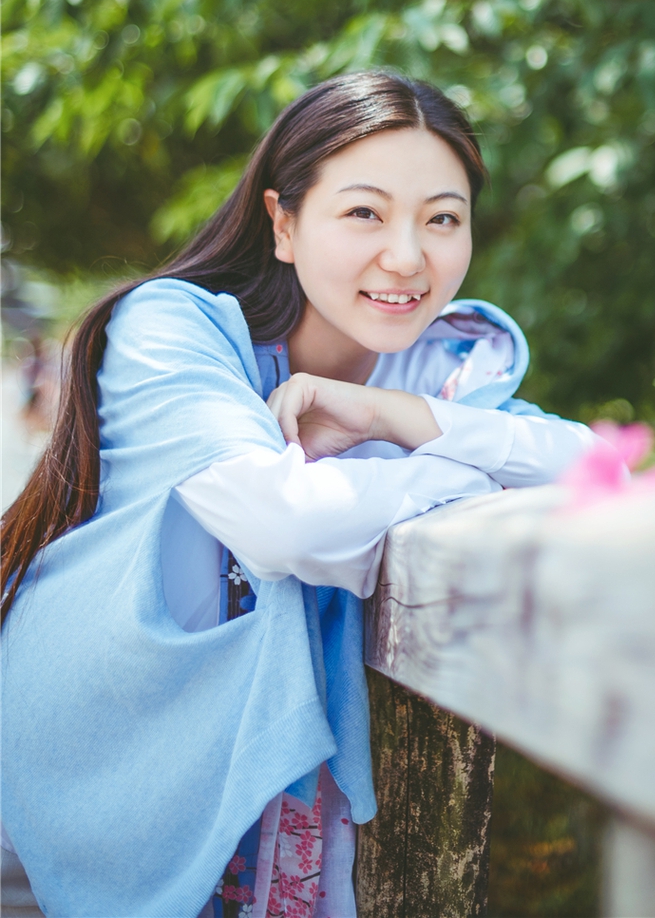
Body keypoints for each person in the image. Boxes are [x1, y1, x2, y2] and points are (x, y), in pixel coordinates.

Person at [1, 71, 594, 918]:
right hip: (81, 796)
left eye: (443, 218)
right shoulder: (173, 331)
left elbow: (595, 464)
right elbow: (287, 524)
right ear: (282, 223)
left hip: (279, 833)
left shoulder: (445, 367)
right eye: (365, 212)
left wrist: (398, 416)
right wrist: (455, 462)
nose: (408, 255)